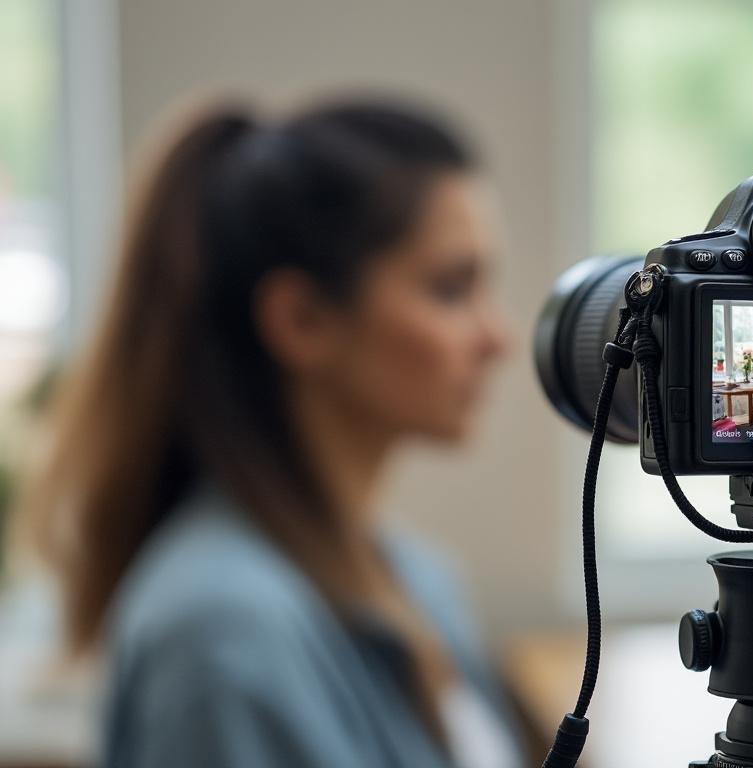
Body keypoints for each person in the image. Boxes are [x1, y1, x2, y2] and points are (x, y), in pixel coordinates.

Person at [18, 100, 530, 767]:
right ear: (301, 320)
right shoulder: (219, 633)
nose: (499, 338)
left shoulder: (417, 577)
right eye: (449, 288)